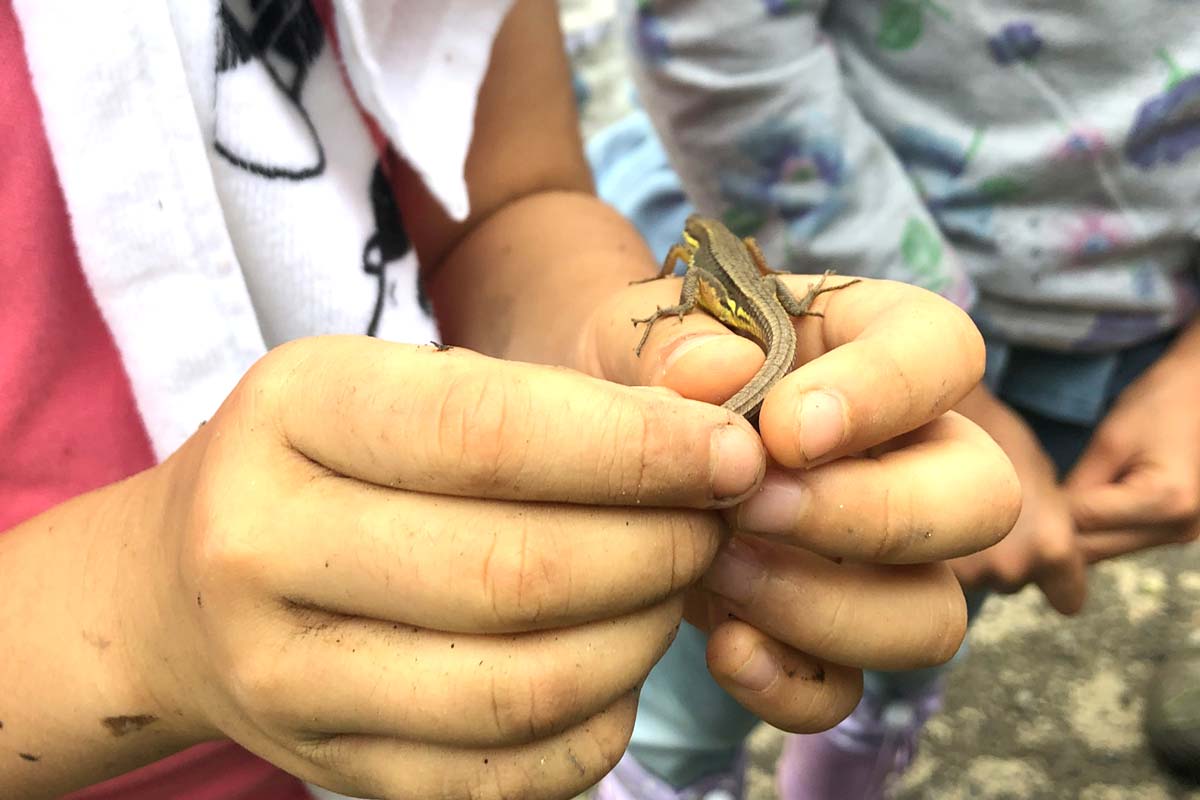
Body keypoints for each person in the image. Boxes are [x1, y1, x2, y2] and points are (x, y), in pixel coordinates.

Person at [0, 1, 1019, 799]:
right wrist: (142, 615)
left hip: (452, 687)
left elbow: (508, 201)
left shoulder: (706, 275)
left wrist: (604, 340)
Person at [588, 0, 1200, 797]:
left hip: (1118, 340)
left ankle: (868, 728)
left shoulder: (703, 263)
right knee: (740, 605)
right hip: (853, 309)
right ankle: (668, 768)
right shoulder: (742, 266)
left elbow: (690, 267)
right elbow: (713, 36)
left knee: (932, 571)